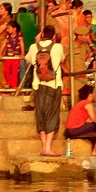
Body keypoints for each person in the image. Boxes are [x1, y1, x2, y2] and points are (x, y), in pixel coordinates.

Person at [26, 24, 66, 156]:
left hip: (38, 85)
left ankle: (44, 147)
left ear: (42, 35)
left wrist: (37, 42)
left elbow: (28, 60)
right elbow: (62, 59)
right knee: (52, 115)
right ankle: (48, 148)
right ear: (54, 35)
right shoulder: (58, 47)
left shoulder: (33, 47)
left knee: (41, 114)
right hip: (53, 84)